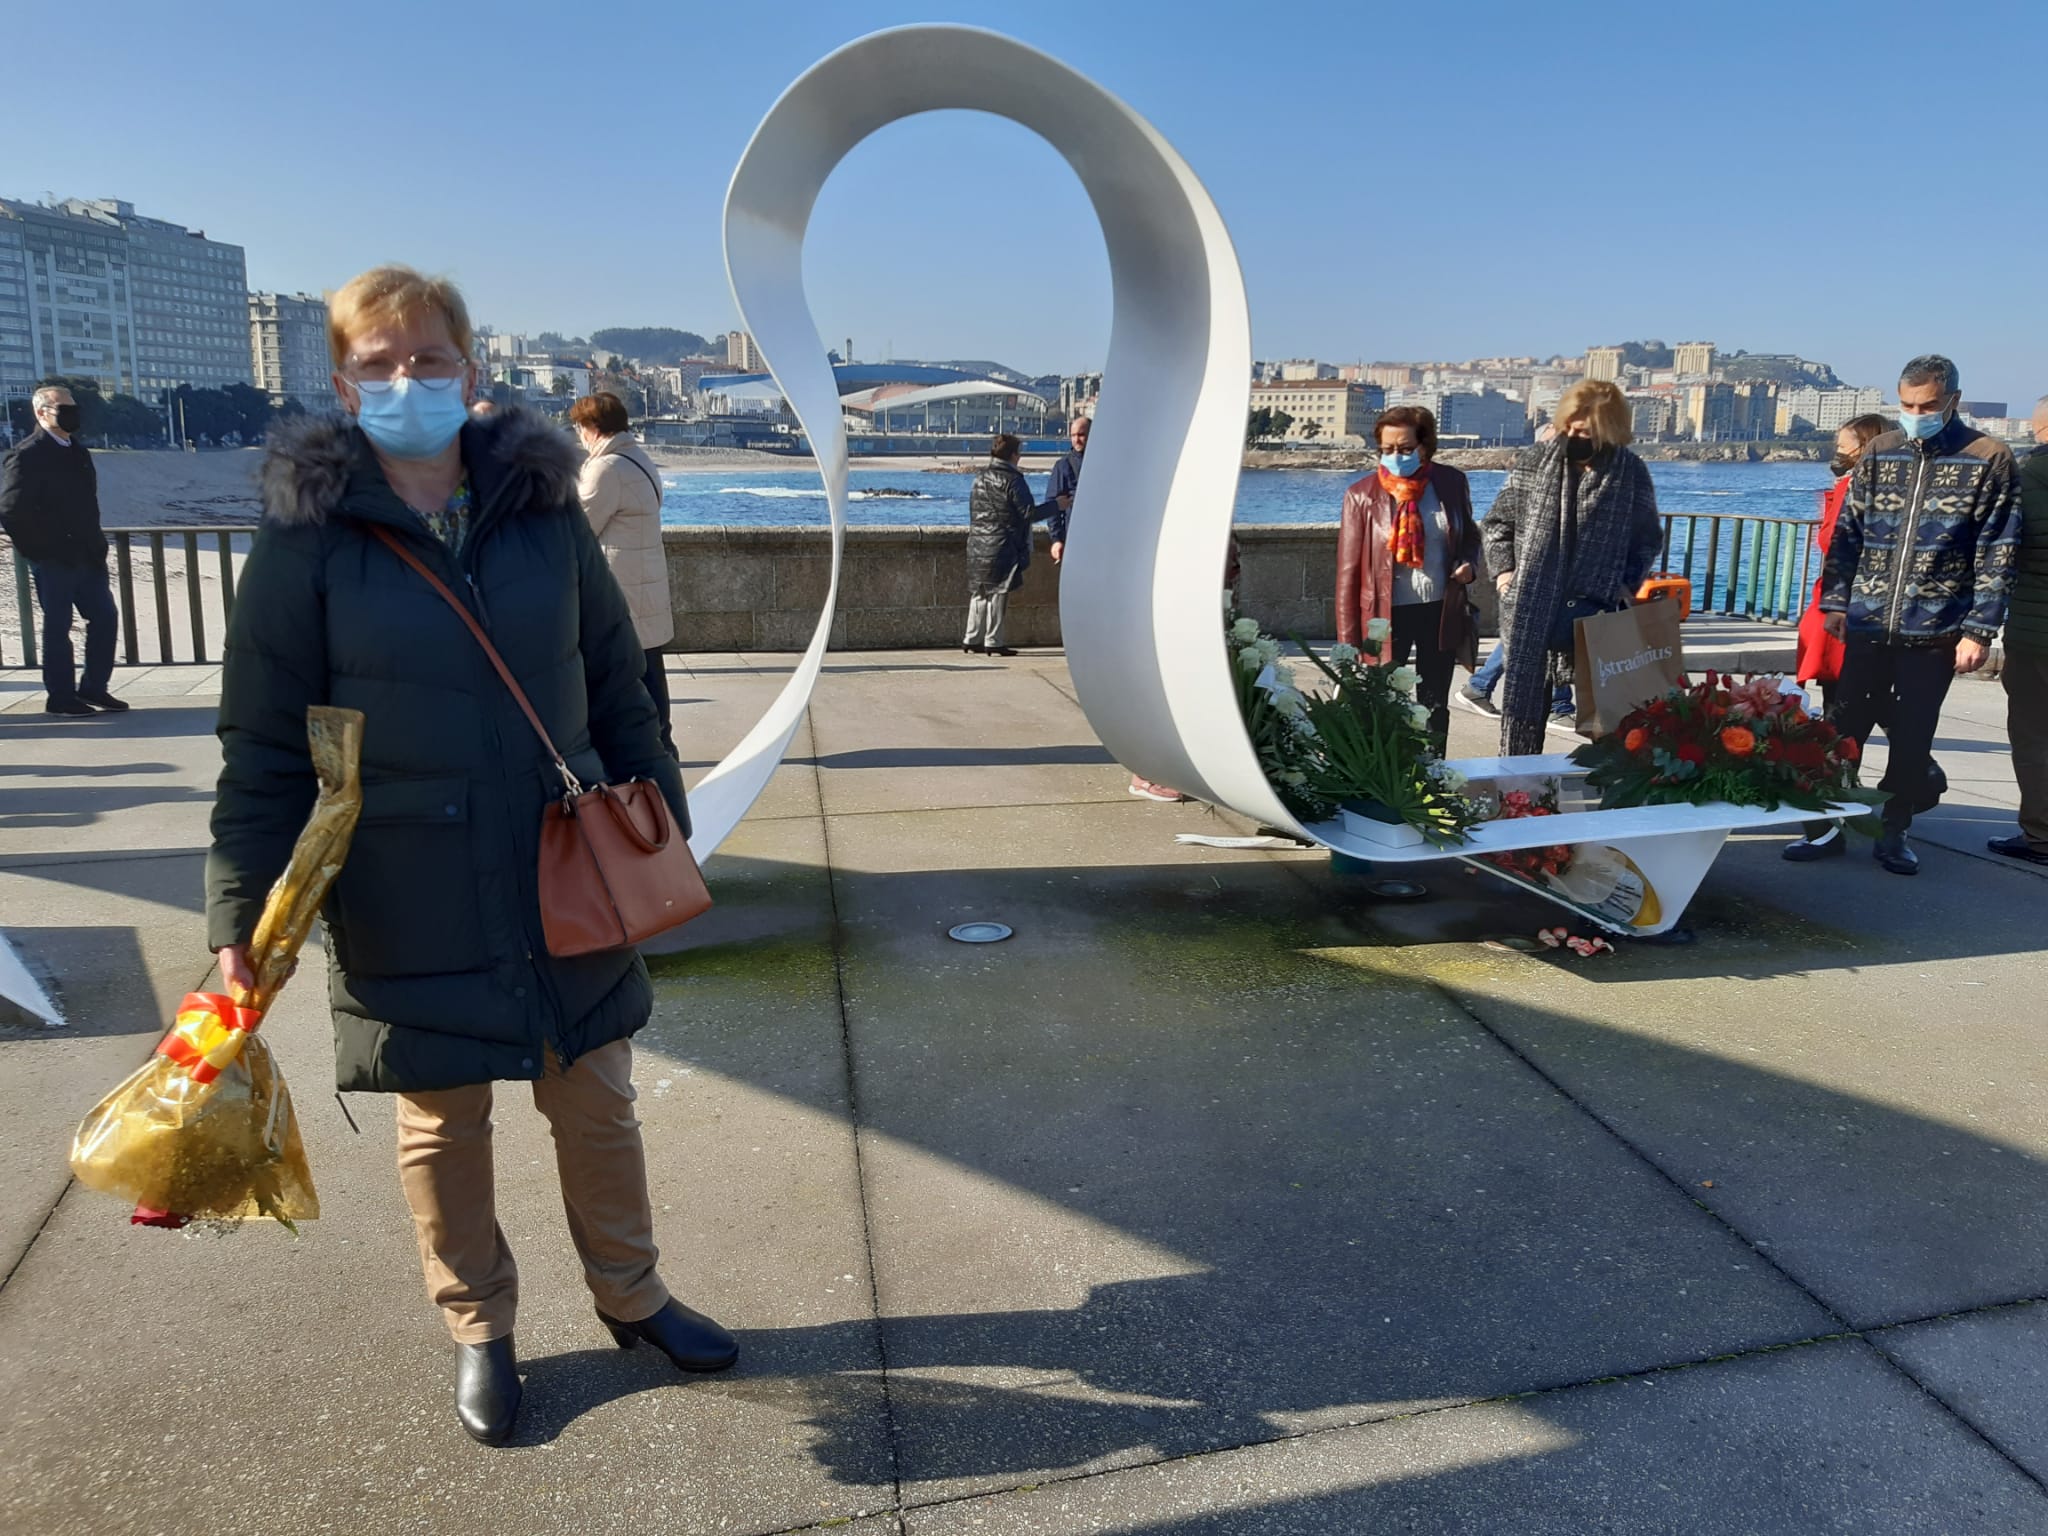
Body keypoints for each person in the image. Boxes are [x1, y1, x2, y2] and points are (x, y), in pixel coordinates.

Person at [206, 266, 734, 1448]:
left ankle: (633, 1297)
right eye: (378, 364)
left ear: (471, 371)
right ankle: (478, 1327)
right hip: (405, 879)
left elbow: (614, 676)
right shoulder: (307, 539)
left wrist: (658, 811)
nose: (406, 381)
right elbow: (260, 747)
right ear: (343, 383)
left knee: (595, 1096)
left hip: (567, 860)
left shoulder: (542, 508)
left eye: (427, 359)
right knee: (441, 1120)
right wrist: (237, 923)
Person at [1806, 354, 2020, 875]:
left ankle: (1893, 829)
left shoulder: (1989, 457)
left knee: (1913, 734)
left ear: (1953, 401)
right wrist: (1836, 601)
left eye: (1926, 405)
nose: (1915, 413)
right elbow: (1849, 534)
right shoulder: (1880, 451)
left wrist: (1979, 629)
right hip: (1868, 619)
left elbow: (1999, 547)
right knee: (1843, 726)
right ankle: (1827, 823)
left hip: (1938, 627)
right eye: (1906, 404)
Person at [1481, 380, 1662, 756]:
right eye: (1574, 430)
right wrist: (1503, 576)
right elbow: (1498, 523)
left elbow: (1647, 537)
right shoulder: (1534, 461)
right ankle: (1519, 795)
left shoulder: (1630, 473)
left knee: (1611, 715)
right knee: (1521, 711)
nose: (1579, 438)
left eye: (1589, 433)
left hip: (1597, 606)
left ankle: (1608, 796)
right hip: (1530, 604)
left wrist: (1625, 583)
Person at [1335, 405, 1479, 754]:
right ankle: (1387, 780)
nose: (1395, 456)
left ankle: (1433, 775)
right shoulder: (1361, 494)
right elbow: (1347, 572)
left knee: (1434, 704)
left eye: (1404, 449)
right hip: (1385, 614)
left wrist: (1469, 565)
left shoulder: (1451, 482)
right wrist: (1347, 641)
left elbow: (1470, 537)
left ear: (1424, 446)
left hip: (1439, 608)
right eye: (1387, 450)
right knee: (1383, 705)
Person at [1782, 412, 1893, 861]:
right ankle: (1837, 815)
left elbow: (1837, 550)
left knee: (1838, 723)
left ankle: (1826, 824)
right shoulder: (1869, 490)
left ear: (1863, 446)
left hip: (1841, 620)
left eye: (1843, 443)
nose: (1837, 450)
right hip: (1845, 618)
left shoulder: (1854, 491)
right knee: (1850, 718)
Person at [0, 386, 127, 716]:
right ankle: (60, 696)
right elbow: (11, 510)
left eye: (73, 408)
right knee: (58, 626)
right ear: (42, 413)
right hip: (53, 559)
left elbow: (88, 504)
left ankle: (94, 688)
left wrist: (97, 546)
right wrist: (40, 552)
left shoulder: (79, 452)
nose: (72, 414)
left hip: (88, 556)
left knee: (105, 618)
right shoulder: (26, 454)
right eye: (62, 408)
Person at [571, 391, 676, 757]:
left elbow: (579, 527)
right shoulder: (639, 459)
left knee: (624, 675)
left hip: (621, 586)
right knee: (650, 671)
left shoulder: (605, 468)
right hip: (645, 582)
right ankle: (661, 744)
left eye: (580, 428)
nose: (578, 436)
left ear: (593, 428)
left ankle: (648, 750)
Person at [1988, 394, 2048, 866]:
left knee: (2033, 734)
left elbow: (2000, 552)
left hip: (2035, 630)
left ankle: (2040, 834)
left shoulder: (2026, 481)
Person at [964, 432, 1035, 656]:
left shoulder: (979, 478)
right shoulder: (1013, 480)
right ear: (1013, 455)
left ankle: (971, 637)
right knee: (998, 591)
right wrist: (1058, 505)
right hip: (1002, 543)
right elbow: (1029, 513)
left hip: (977, 543)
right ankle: (993, 641)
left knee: (979, 591)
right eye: (1019, 453)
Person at [1041, 415, 1088, 564]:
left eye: (1081, 435)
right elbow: (1052, 504)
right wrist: (1056, 539)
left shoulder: (1105, 463)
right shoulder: (1063, 465)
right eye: (1073, 435)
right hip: (1073, 537)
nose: (1076, 440)